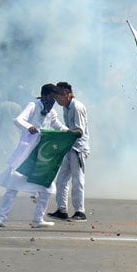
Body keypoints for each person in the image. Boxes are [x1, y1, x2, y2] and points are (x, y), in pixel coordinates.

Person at [0, 83, 69, 228]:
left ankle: (38, 219)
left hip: (42, 155)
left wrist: (69, 132)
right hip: (26, 153)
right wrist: (29, 127)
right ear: (44, 95)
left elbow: (58, 125)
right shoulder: (33, 105)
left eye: (55, 98)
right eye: (51, 98)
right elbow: (18, 120)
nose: (53, 101)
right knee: (13, 185)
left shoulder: (51, 112)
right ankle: (1, 218)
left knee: (47, 187)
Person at [47, 81, 90, 222]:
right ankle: (62, 210)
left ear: (68, 94)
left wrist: (64, 134)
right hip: (70, 147)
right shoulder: (66, 107)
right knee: (61, 180)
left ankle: (80, 211)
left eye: (60, 95)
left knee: (77, 181)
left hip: (78, 148)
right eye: (57, 96)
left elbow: (79, 131)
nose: (58, 99)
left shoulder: (76, 107)